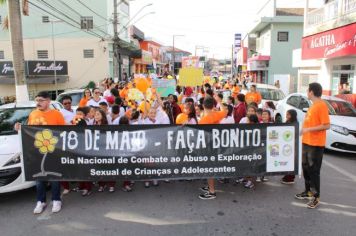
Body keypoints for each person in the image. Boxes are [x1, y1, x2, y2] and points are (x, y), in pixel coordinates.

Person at [15, 91, 65, 214]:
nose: (38, 103)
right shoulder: (33, 114)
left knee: (54, 178)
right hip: (37, 151)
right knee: (39, 178)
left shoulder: (57, 114)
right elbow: (29, 132)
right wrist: (20, 128)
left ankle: (56, 200)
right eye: (37, 100)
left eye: (41, 100)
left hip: (54, 151)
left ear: (48, 101)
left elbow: (64, 132)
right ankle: (40, 201)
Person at [295, 82, 330, 209]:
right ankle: (308, 191)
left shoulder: (321, 105)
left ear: (311, 92)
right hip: (307, 142)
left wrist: (308, 130)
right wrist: (302, 131)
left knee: (314, 171)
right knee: (306, 168)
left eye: (307, 90)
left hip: (316, 144)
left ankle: (316, 196)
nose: (306, 93)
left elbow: (326, 125)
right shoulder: (313, 105)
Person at [199, 96, 227, 200]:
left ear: (203, 106)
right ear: (213, 105)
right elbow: (225, 110)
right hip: (217, 144)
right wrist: (220, 101)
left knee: (209, 168)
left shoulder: (203, 120)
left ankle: (212, 192)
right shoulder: (217, 114)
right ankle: (209, 187)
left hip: (209, 146)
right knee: (210, 167)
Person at [94, 109, 116, 192]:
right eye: (95, 114)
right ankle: (101, 184)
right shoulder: (92, 126)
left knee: (109, 168)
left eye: (98, 114)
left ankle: (111, 185)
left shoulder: (108, 126)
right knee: (100, 168)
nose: (96, 116)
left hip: (107, 150)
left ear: (103, 116)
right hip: (97, 151)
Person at [281, 109, 298, 185]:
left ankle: (290, 178)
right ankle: (286, 176)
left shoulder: (295, 124)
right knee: (286, 161)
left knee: (291, 162)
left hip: (293, 146)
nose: (286, 116)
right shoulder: (287, 122)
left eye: (288, 115)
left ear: (293, 116)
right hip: (286, 145)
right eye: (286, 114)